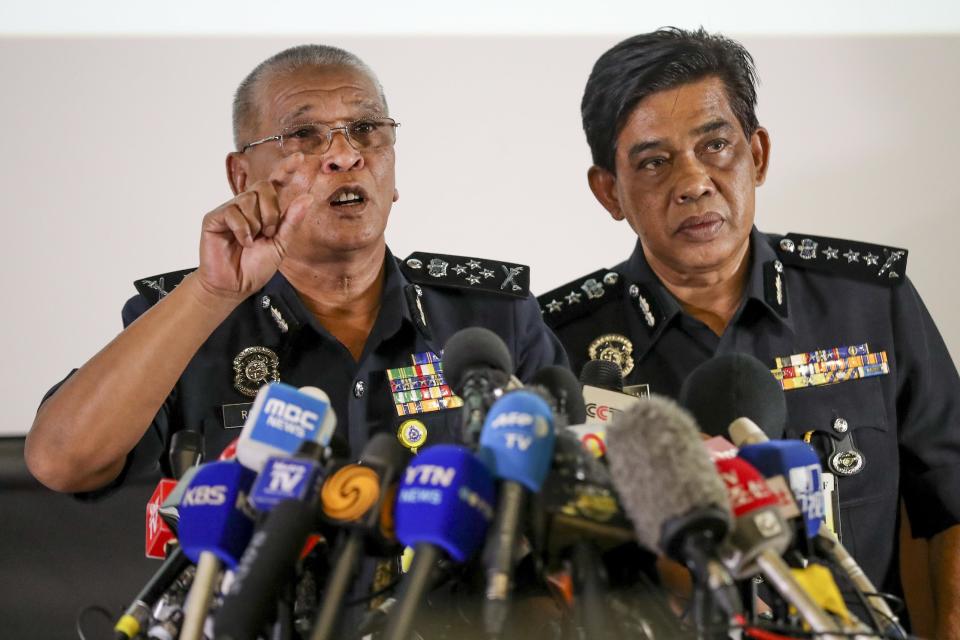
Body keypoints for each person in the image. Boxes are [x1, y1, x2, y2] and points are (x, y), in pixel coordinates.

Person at [538, 27, 960, 637]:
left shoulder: (868, 302)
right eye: (655, 162)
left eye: (715, 146)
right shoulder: (559, 343)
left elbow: (949, 501)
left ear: (756, 155)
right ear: (610, 191)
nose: (693, 182)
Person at [25, 44, 566, 495]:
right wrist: (213, 291)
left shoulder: (492, 318)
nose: (344, 156)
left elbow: (572, 494)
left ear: (393, 166)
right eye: (306, 137)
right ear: (241, 177)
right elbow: (61, 462)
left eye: (366, 129)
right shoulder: (186, 318)